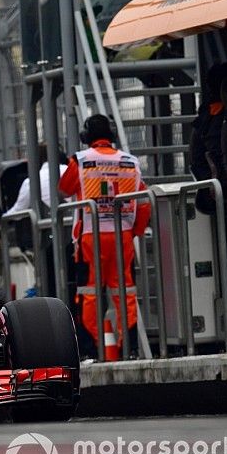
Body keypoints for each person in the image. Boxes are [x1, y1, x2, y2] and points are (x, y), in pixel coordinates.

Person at [58, 115, 151, 360]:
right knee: (125, 292)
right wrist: (136, 231)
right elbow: (144, 203)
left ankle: (91, 350)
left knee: (89, 293)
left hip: (90, 235)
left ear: (86, 136)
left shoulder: (80, 160)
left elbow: (64, 188)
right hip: (123, 237)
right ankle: (129, 349)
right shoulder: (131, 162)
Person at [4, 143, 68, 298]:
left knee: (49, 284)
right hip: (75, 238)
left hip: (49, 243)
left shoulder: (32, 181)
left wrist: (2, 218)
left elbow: (17, 213)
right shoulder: (69, 171)